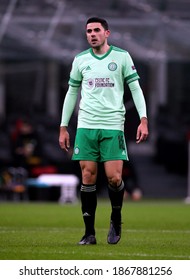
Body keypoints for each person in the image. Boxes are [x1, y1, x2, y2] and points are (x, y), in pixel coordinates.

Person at [59, 17, 148, 245]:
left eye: (96, 30)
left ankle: (115, 219)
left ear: (106, 33)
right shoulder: (80, 60)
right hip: (86, 126)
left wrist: (143, 119)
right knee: (87, 176)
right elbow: (71, 94)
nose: (92, 34)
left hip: (112, 125)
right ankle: (89, 233)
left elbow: (135, 89)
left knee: (114, 177)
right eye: (88, 31)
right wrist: (63, 126)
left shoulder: (122, 57)